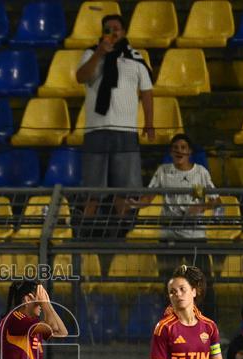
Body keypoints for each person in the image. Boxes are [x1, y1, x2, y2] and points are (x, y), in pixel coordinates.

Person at [75, 14, 153, 220]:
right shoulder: (91, 53)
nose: (112, 32)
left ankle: (125, 233)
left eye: (116, 28)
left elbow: (146, 91)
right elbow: (80, 77)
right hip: (95, 129)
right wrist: (99, 54)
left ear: (124, 31)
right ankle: (85, 234)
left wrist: (150, 122)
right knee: (92, 190)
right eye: (108, 29)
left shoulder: (135, 57)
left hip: (125, 130)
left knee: (125, 190)